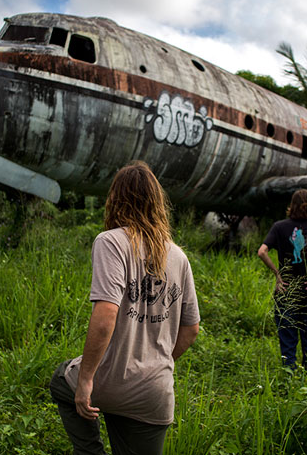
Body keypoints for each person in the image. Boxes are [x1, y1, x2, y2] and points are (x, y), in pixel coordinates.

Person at [49, 161, 201, 455]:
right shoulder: (178, 256)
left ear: (116, 199)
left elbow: (106, 314)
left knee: (61, 380)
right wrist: (153, 364)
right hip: (156, 394)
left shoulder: (111, 242)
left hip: (111, 382)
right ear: (157, 203)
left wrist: (86, 381)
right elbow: (191, 329)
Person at [257, 189, 307, 370]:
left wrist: (278, 274)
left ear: (292, 206)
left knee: (288, 341)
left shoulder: (279, 227)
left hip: (286, 291)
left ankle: (288, 380)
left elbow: (262, 251)